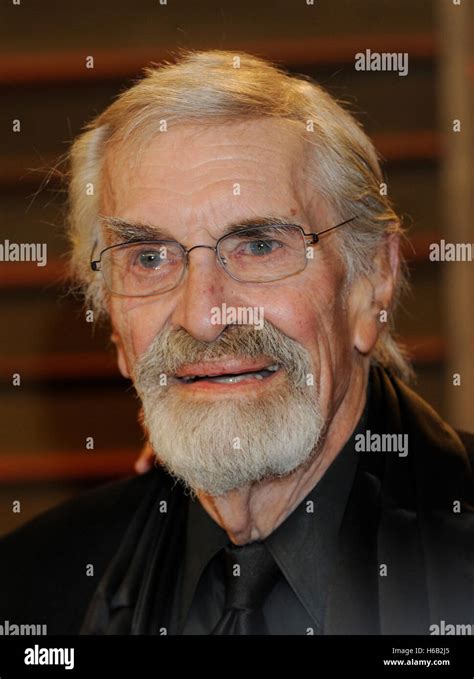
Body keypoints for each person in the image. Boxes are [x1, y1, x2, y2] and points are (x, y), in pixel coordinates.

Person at [0, 50, 472, 636]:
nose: (202, 316)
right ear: (114, 323)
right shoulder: (27, 594)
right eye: (149, 258)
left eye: (258, 246)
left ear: (371, 279)